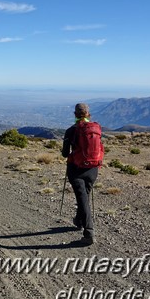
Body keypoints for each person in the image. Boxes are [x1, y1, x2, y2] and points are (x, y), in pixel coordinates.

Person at [61, 103, 103, 246]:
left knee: (82, 199)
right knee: (84, 196)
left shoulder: (71, 130)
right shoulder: (94, 129)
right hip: (93, 169)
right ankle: (79, 221)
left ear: (75, 114)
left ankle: (89, 233)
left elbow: (65, 153)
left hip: (76, 169)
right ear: (88, 114)